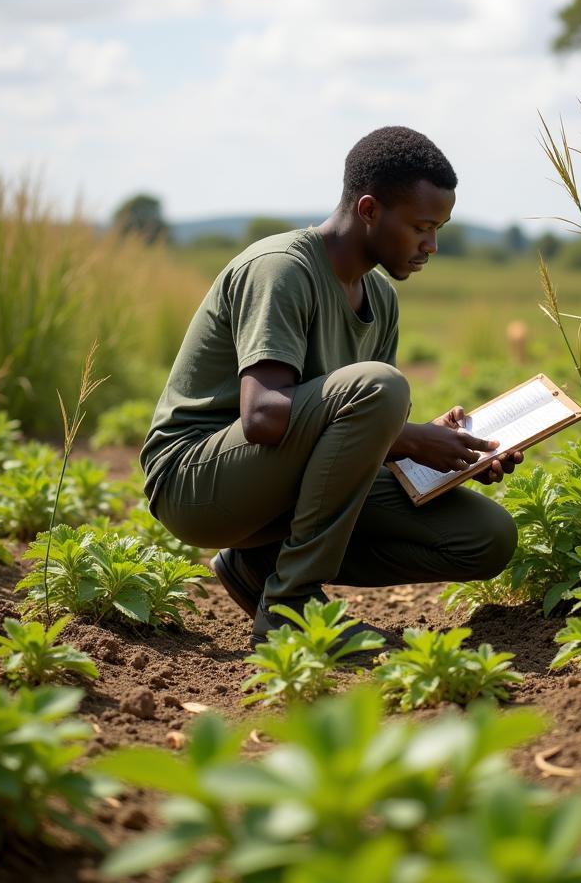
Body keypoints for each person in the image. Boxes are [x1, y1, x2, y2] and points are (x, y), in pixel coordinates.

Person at [139, 126, 522, 645]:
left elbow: (356, 427)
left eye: (440, 229)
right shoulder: (280, 269)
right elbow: (264, 418)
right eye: (421, 227)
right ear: (368, 210)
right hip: (197, 483)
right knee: (381, 386)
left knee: (487, 538)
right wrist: (407, 436)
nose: (431, 245)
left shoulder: (380, 299)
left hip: (277, 487)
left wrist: (443, 449)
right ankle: (290, 607)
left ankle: (259, 567)